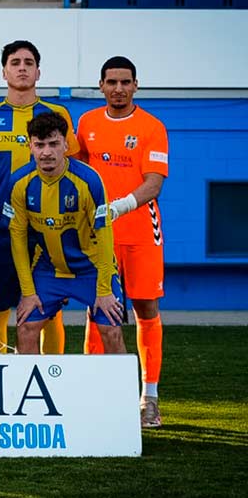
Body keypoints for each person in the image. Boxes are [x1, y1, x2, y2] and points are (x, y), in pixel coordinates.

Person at [0, 40, 79, 355]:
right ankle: (0, 369)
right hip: (0, 225)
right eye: (15, 62)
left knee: (49, 304)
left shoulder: (57, 113)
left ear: (38, 71)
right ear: (4, 71)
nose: (21, 67)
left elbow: (74, 166)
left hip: (47, 226)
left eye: (28, 62)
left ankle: (53, 372)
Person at [77, 56, 169, 428]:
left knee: (145, 309)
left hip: (140, 231)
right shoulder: (88, 123)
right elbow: (78, 170)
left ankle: (150, 397)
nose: (118, 88)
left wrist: (119, 206)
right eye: (111, 82)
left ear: (136, 85)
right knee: (97, 308)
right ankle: (94, 389)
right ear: (101, 85)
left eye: (125, 82)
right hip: (98, 234)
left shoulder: (152, 127)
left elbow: (154, 182)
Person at [8, 111, 126, 355]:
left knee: (111, 329)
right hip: (49, 270)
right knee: (26, 328)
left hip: (91, 269)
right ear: (30, 146)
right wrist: (28, 293)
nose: (47, 152)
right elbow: (18, 238)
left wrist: (104, 290)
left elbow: (104, 235)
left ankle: (122, 394)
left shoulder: (88, 180)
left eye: (53, 144)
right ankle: (30, 391)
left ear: (66, 144)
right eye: (39, 145)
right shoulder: (19, 183)